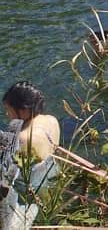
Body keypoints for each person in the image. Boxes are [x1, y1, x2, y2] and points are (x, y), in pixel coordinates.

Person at [1, 81, 59, 227]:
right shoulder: (51, 120)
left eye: (8, 110)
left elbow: (7, 172)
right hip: (53, 174)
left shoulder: (22, 137)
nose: (7, 115)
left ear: (24, 110)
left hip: (33, 188)